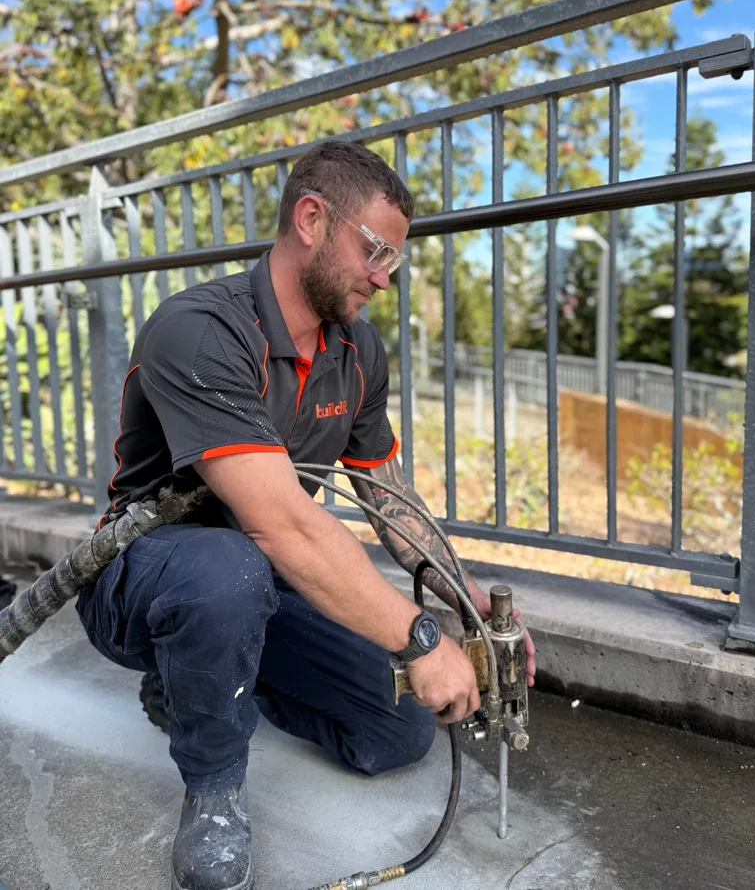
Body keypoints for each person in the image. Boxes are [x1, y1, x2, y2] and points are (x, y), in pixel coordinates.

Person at [76, 140, 536, 890]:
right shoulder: (199, 328)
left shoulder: (358, 347)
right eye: (377, 250)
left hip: (260, 583)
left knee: (396, 730)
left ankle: (192, 681)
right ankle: (215, 791)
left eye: (395, 259)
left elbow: (384, 496)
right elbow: (280, 523)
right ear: (313, 219)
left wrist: (467, 599)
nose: (385, 277)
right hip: (148, 574)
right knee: (230, 568)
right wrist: (418, 637)